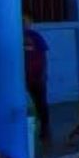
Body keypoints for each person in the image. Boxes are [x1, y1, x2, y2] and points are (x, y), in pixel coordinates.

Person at [23, 16, 50, 146]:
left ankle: (44, 127)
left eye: (26, 21)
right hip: (20, 77)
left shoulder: (36, 37)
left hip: (36, 76)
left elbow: (44, 56)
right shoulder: (13, 35)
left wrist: (43, 74)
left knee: (40, 103)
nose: (24, 24)